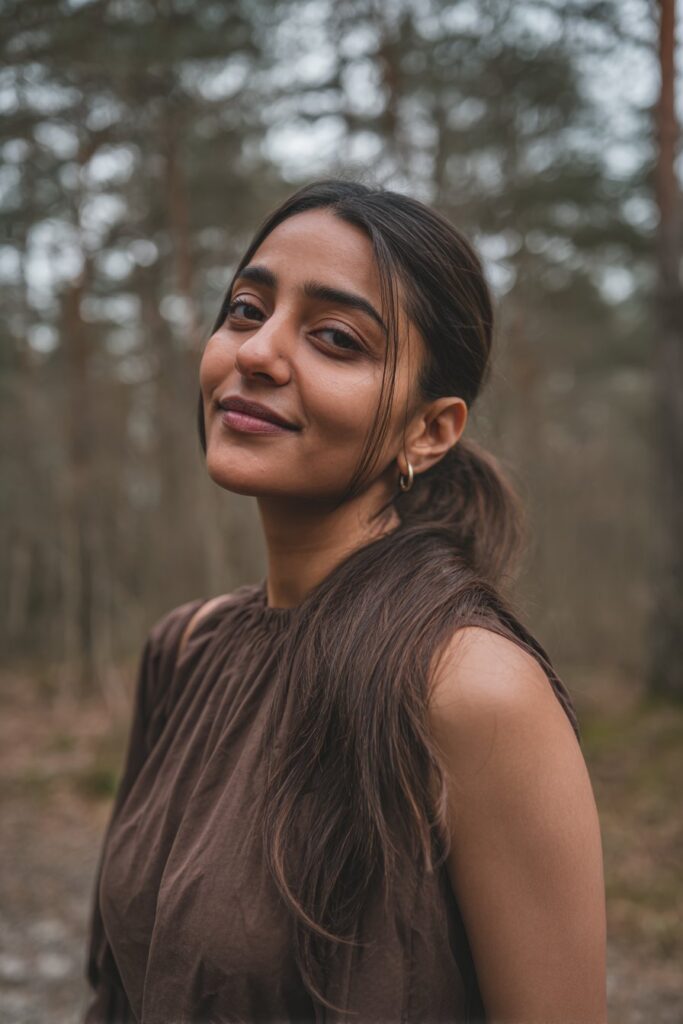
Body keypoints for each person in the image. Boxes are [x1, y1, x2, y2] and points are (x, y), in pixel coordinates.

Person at [83, 179, 607, 1024]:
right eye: (247, 310)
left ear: (428, 430)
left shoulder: (472, 690)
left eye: (334, 338)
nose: (256, 353)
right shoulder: (184, 649)